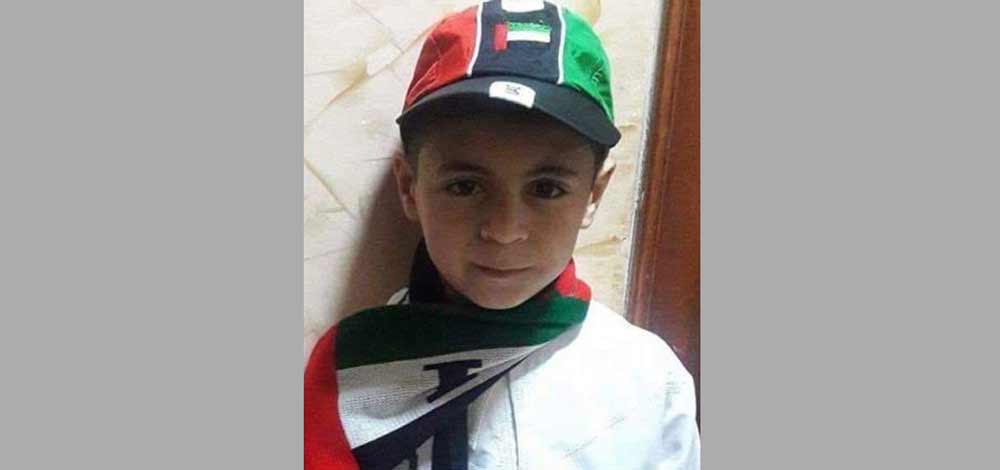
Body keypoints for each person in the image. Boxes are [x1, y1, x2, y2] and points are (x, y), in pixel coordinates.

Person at [305, 1, 700, 468]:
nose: (505, 231)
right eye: (464, 187)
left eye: (547, 189)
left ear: (594, 194)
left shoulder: (648, 385)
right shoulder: (352, 372)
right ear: (409, 188)